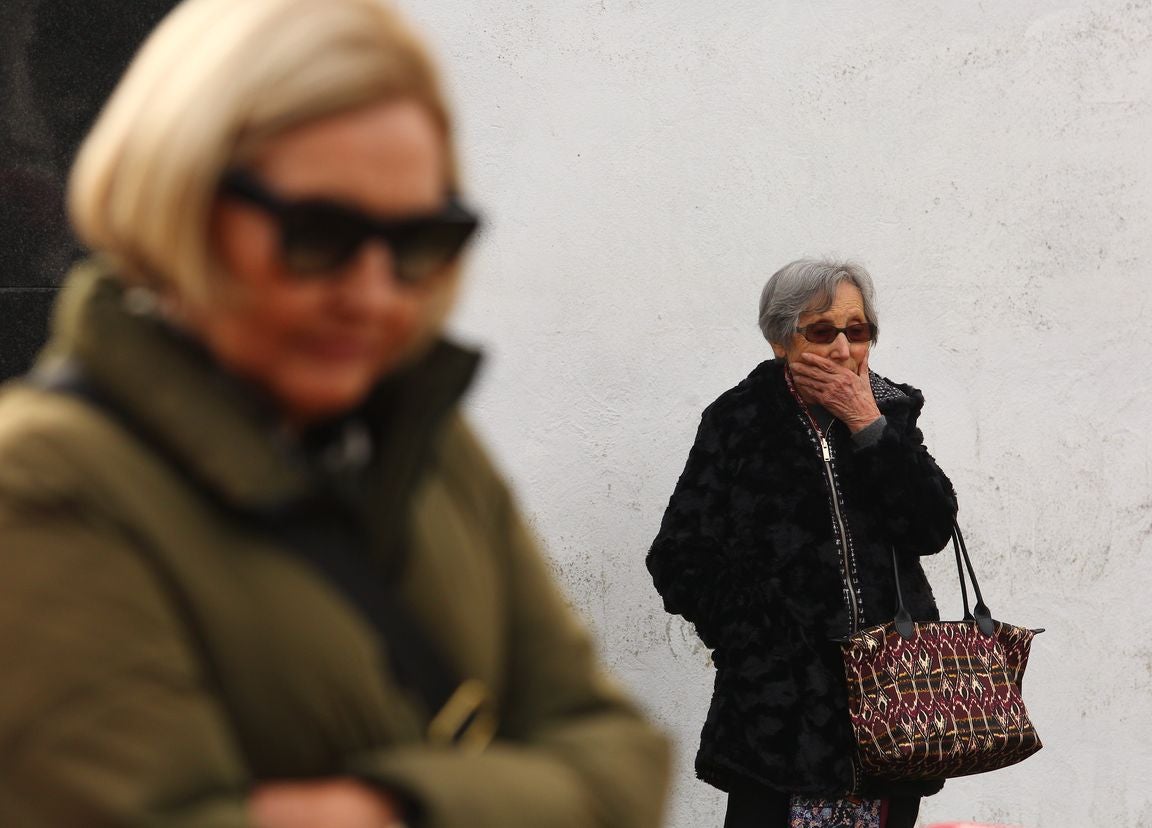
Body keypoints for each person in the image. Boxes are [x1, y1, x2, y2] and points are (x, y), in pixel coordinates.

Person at [0, 0, 670, 825]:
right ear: (181, 202)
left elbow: (624, 759)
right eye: (318, 232)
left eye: (421, 241)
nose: (372, 294)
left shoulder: (424, 441)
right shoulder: (42, 482)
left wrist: (377, 808)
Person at [646, 259, 958, 828]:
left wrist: (869, 426)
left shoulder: (891, 413)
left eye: (856, 331)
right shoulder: (738, 421)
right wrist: (759, 644)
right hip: (782, 709)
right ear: (779, 340)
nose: (842, 349)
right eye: (822, 332)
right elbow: (680, 553)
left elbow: (931, 526)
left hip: (891, 699)